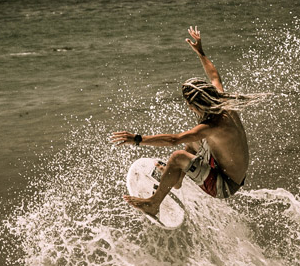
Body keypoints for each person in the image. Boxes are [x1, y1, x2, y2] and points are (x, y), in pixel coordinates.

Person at [111, 26, 266, 216]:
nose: (189, 108)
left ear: (198, 105)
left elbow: (174, 139)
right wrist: (200, 52)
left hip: (224, 185)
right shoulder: (221, 99)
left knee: (178, 156)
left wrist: (137, 139)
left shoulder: (214, 126)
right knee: (192, 141)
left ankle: (153, 203)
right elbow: (214, 76)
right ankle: (177, 179)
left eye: (189, 104)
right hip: (230, 170)